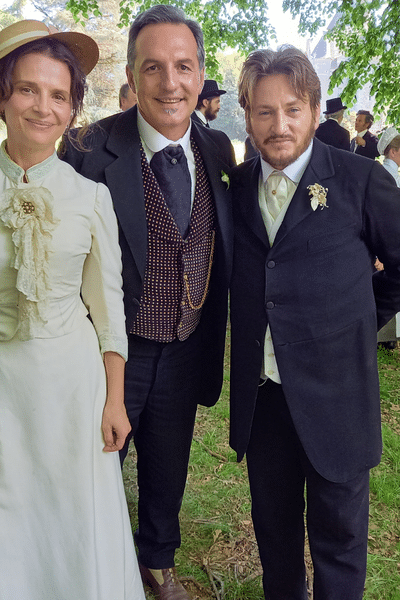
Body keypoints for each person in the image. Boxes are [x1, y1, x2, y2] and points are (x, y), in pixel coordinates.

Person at [61, 5, 235, 600]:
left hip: (186, 348)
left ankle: (157, 561)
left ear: (201, 72)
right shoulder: (88, 147)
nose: (171, 82)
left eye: (184, 67)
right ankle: (89, 565)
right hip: (110, 351)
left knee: (169, 466)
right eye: (154, 67)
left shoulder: (218, 152)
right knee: (94, 467)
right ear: (132, 75)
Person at [229, 46, 400, 599]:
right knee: (274, 536)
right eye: (264, 111)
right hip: (266, 400)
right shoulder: (237, 187)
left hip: (338, 397)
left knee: (339, 540)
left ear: (312, 110)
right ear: (248, 114)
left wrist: (362, 319)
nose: (279, 125)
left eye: (293, 109)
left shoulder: (360, 180)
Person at [0, 20, 145, 600]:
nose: (43, 107)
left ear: (72, 107)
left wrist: (114, 399)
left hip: (72, 389)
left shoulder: (90, 197)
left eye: (59, 95)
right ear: (4, 96)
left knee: (70, 515)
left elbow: (108, 308)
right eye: (28, 89)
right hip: (4, 389)